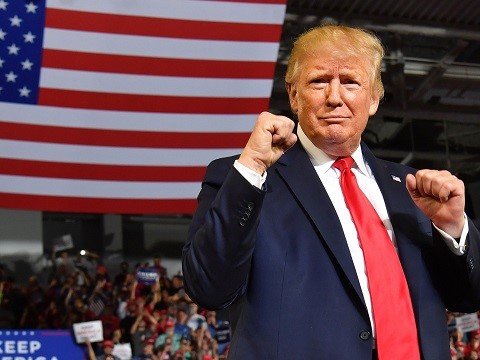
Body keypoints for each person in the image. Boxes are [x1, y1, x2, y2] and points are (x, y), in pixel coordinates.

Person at [182, 24, 480, 359]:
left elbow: (468, 298)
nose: (334, 97)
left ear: (374, 99)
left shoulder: (415, 190)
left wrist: (454, 231)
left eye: (350, 82)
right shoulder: (244, 177)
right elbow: (208, 288)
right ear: (294, 95)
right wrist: (251, 167)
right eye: (318, 81)